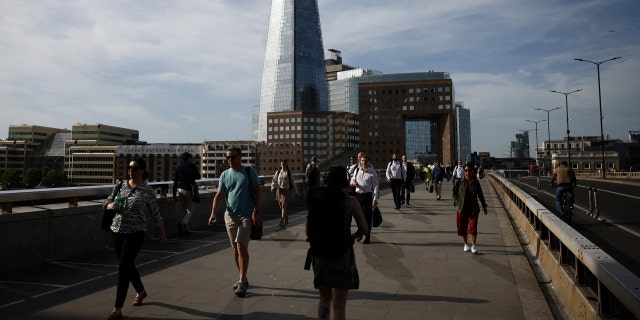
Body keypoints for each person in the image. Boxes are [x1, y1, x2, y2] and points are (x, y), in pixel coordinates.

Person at [104, 158, 167, 320]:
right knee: (127, 265)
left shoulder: (147, 191)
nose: (131, 170)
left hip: (136, 233)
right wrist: (109, 206)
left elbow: (155, 212)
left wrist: (161, 229)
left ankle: (117, 309)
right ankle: (141, 291)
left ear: (142, 171)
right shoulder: (120, 186)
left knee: (124, 268)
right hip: (117, 231)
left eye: (135, 168)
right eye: (129, 168)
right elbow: (107, 202)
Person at [308, 165, 369, 320]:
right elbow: (364, 228)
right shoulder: (351, 201)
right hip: (342, 254)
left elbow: (308, 231)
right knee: (339, 306)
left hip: (321, 255)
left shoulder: (317, 199)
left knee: (324, 300)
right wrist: (352, 237)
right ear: (344, 180)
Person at [209, 147, 261, 298]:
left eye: (232, 157)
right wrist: (213, 212)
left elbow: (258, 191)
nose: (229, 160)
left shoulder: (249, 172)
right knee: (235, 249)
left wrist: (256, 211)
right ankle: (242, 277)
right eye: (227, 158)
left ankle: (242, 281)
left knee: (241, 246)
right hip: (229, 216)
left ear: (240, 157)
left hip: (246, 215)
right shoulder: (225, 175)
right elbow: (219, 195)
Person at [452, 162, 488, 254]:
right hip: (462, 207)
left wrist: (484, 205)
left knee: (473, 227)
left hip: (473, 208)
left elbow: (480, 195)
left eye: (469, 170)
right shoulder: (460, 181)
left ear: (472, 171)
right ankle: (465, 244)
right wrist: (456, 202)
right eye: (465, 170)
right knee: (462, 227)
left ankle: (473, 245)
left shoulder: (476, 182)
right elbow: (454, 193)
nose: (467, 172)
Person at [350, 154, 379, 244]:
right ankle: (360, 233)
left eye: (366, 161)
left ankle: (368, 237)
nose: (364, 162)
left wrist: (375, 198)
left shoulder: (372, 172)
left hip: (367, 196)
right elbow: (352, 180)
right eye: (362, 161)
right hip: (358, 196)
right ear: (360, 162)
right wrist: (353, 183)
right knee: (359, 217)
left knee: (367, 217)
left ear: (369, 162)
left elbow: (376, 186)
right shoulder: (357, 170)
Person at [172, 152, 201, 237]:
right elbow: (198, 176)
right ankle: (182, 223)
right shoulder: (191, 165)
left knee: (185, 210)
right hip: (189, 189)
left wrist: (174, 194)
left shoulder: (178, 168)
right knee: (190, 210)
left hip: (180, 190)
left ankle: (186, 230)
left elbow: (175, 182)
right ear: (189, 158)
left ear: (181, 159)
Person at [271, 159, 296, 226]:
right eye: (282, 164)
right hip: (280, 191)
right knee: (281, 207)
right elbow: (274, 180)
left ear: (286, 165)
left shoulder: (289, 172)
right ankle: (286, 217)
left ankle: (282, 220)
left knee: (284, 206)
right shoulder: (278, 172)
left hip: (286, 190)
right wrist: (272, 187)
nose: (283, 165)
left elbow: (292, 182)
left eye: (284, 164)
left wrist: (295, 190)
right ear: (280, 165)